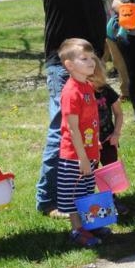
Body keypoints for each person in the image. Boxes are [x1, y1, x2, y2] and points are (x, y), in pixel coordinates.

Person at [28, 0, 106, 216]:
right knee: (62, 128)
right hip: (66, 66)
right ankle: (48, 200)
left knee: (85, 128)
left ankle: (75, 193)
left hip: (86, 64)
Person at [55, 39, 105, 247]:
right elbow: (73, 128)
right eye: (84, 59)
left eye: (92, 58)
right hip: (74, 155)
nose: (91, 62)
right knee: (74, 194)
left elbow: (88, 121)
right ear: (70, 65)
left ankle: (90, 224)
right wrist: (83, 158)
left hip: (88, 150)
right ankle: (77, 230)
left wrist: (95, 142)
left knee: (86, 190)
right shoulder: (71, 91)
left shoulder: (86, 86)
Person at [90, 0, 131, 101]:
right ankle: (97, 88)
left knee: (117, 60)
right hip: (99, 23)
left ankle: (125, 91)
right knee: (97, 58)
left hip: (112, 24)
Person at [88, 53, 126, 215]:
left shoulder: (107, 91)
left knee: (110, 172)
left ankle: (113, 200)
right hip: (90, 143)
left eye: (96, 74)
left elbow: (119, 113)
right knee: (89, 175)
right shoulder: (81, 94)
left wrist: (116, 133)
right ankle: (91, 205)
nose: (93, 79)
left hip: (108, 139)